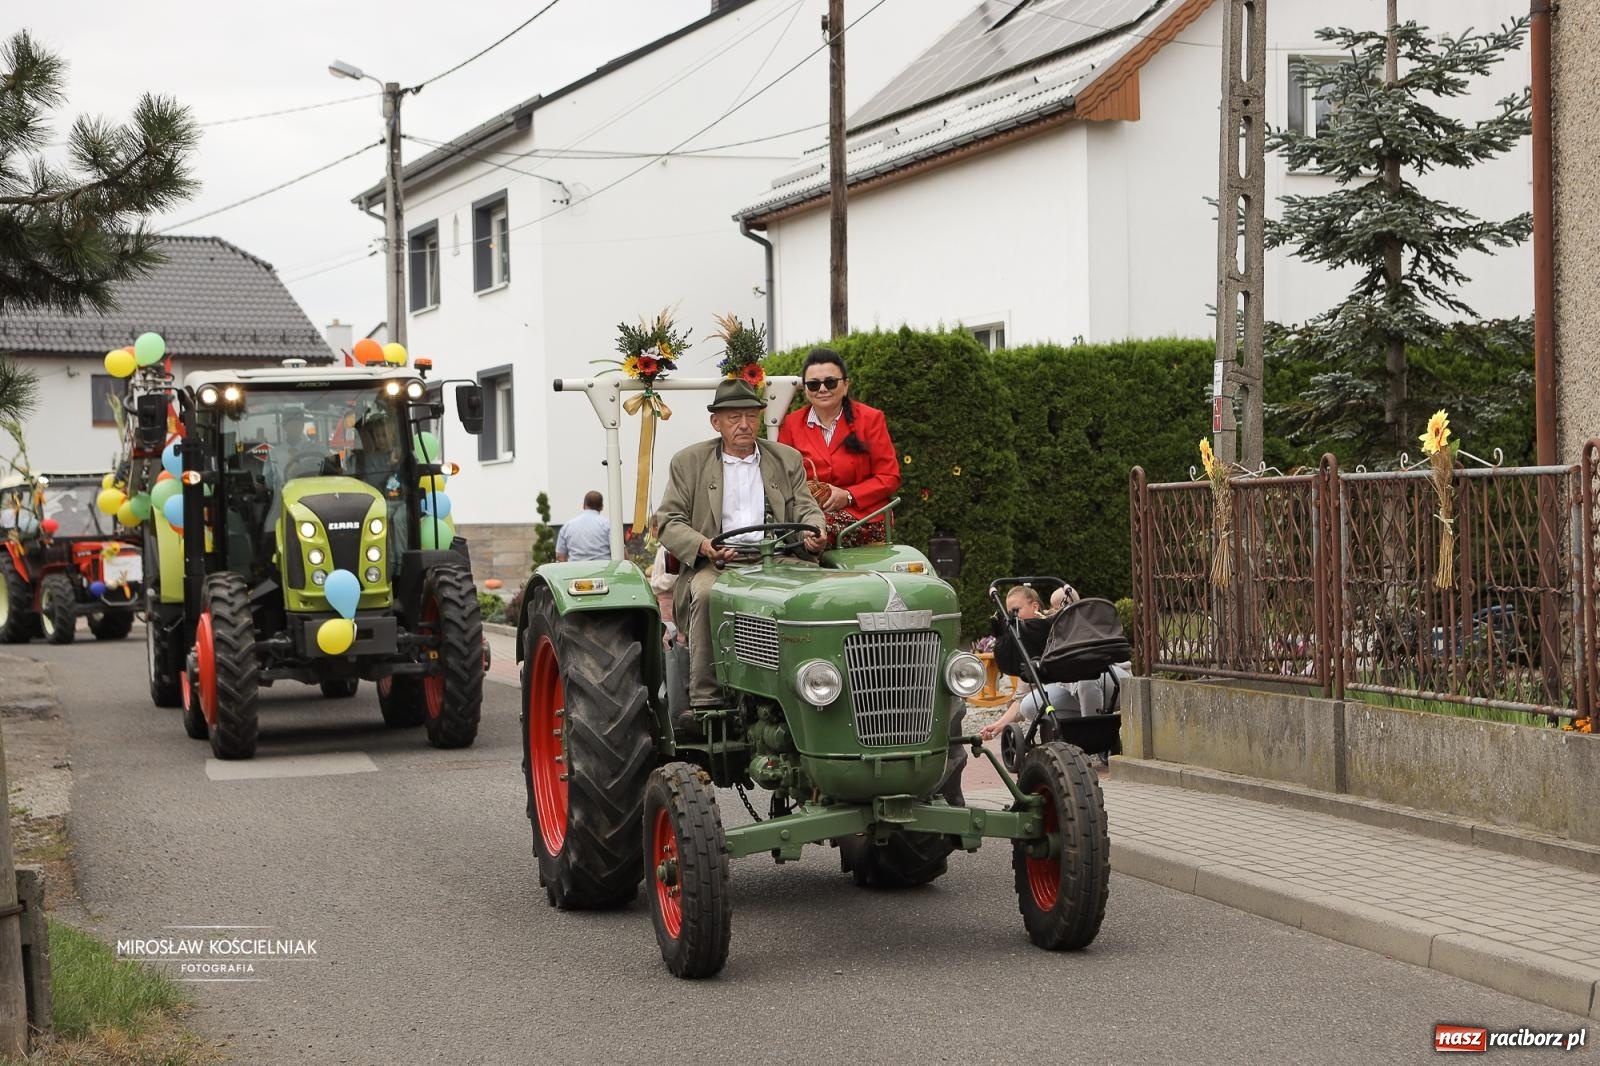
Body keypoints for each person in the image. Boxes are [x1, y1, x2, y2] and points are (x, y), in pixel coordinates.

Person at [657, 379, 826, 713]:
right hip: (718, 565)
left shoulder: (786, 459)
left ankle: (818, 685)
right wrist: (704, 546)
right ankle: (706, 698)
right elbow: (668, 521)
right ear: (716, 423)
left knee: (820, 595)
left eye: (750, 416)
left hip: (777, 559)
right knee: (707, 595)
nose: (744, 425)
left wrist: (815, 530)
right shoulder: (689, 462)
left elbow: (806, 507)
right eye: (734, 418)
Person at [777, 348, 901, 540]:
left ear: (845, 385)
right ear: (807, 390)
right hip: (809, 516)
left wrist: (849, 495)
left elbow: (889, 477)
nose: (823, 389)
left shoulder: (870, 419)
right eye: (813, 385)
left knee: (809, 534)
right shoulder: (792, 424)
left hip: (864, 518)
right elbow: (782, 478)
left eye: (831, 382)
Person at [555, 490, 611, 562]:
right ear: (602, 507)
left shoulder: (567, 526)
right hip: (603, 570)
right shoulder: (608, 525)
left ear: (584, 505)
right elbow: (621, 553)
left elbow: (560, 557)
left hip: (576, 571)